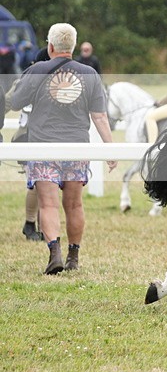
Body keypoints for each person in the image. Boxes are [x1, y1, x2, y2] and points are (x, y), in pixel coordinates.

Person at [10, 23, 117, 274]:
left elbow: (15, 102)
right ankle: (73, 257)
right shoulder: (89, 73)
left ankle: (54, 253)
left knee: (48, 204)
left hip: (43, 148)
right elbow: (100, 116)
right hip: (77, 148)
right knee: (74, 205)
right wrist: (111, 150)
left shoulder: (37, 70)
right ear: (74, 46)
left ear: (50, 46)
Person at [5, 48, 51, 241]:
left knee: (46, 184)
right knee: (36, 184)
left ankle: (42, 224)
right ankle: (30, 223)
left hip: (51, 138)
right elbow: (6, 103)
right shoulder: (23, 82)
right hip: (28, 137)